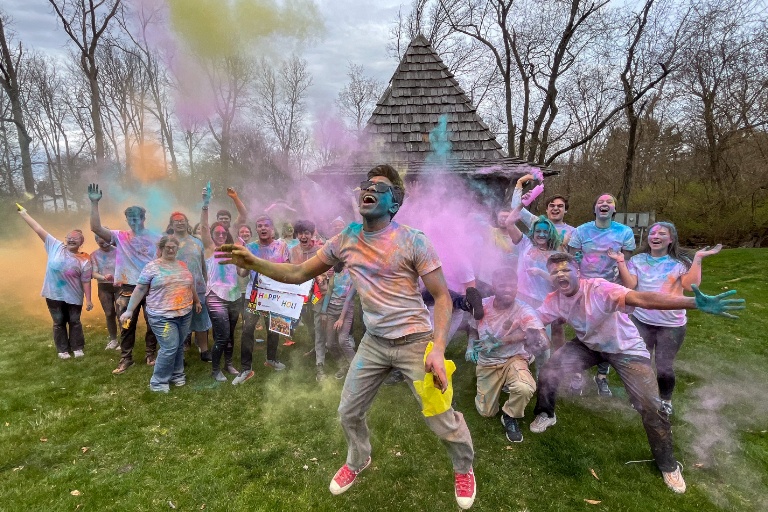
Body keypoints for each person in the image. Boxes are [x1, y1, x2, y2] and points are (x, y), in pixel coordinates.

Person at [216, 164, 477, 509]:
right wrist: (253, 262)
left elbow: (442, 297)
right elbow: (298, 272)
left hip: (415, 342)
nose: (368, 188)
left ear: (394, 202)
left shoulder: (414, 240)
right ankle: (358, 459)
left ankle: (464, 467)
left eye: (379, 187)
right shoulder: (346, 239)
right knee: (348, 412)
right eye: (366, 184)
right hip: (374, 343)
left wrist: (439, 348)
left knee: (441, 416)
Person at [528, 252, 744, 494]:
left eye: (565, 269)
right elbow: (533, 320)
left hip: (625, 349)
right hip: (589, 345)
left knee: (651, 406)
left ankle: (668, 465)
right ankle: (546, 413)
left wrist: (692, 302)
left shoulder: (599, 288)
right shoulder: (554, 299)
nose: (560, 274)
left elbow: (642, 298)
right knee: (550, 370)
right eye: (555, 271)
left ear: (577, 271)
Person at [609, 222, 723, 415]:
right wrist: (621, 262)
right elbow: (630, 285)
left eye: (662, 234)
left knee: (664, 366)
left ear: (671, 239)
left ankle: (665, 400)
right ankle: (641, 396)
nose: (655, 236)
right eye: (652, 233)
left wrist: (697, 259)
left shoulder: (679, 263)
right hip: (641, 321)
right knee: (640, 363)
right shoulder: (638, 260)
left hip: (671, 325)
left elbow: (690, 286)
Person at [465, 268, 547, 443]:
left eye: (512, 286)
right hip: (488, 361)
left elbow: (538, 335)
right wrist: (470, 346)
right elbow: (472, 328)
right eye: (503, 285)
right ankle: (500, 383)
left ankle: (510, 415)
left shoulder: (524, 309)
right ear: (494, 287)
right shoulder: (482, 305)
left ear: (517, 287)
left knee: (524, 388)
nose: (508, 289)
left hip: (514, 358)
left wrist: (502, 341)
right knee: (486, 412)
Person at [567, 193, 636, 396]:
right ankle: (577, 373)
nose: (604, 204)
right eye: (600, 202)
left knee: (608, 333)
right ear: (594, 208)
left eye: (609, 202)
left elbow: (626, 261)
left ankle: (602, 376)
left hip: (611, 290)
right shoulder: (581, 231)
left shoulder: (624, 232)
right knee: (583, 330)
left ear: (614, 209)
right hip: (585, 289)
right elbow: (572, 259)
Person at [88, 183, 160, 374]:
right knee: (126, 324)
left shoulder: (156, 237)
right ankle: (126, 358)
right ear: (126, 219)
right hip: (128, 286)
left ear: (143, 218)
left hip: (152, 286)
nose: (134, 221)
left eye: (137, 217)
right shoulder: (119, 236)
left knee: (153, 322)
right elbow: (95, 227)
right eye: (130, 218)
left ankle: (151, 354)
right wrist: (94, 203)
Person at [119, 235, 202, 392]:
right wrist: (129, 310)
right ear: (161, 248)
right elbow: (140, 289)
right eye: (167, 247)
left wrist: (197, 301)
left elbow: (190, 285)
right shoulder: (152, 267)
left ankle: (177, 375)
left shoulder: (182, 265)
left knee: (178, 346)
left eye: (173, 247)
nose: (171, 250)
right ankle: (158, 382)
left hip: (184, 313)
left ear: (177, 249)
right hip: (162, 316)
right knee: (169, 347)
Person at [18, 206, 93, 359]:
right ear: (65, 239)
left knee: (74, 321)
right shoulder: (55, 246)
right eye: (69, 237)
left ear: (81, 242)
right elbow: (38, 229)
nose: (71, 239)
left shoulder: (85, 258)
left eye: (76, 238)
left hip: (74, 296)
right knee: (58, 322)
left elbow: (86, 280)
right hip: (53, 294)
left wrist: (89, 300)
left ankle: (77, 347)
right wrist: (24, 214)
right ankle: (62, 350)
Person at [233, 214, 290, 384]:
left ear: (272, 228)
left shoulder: (281, 246)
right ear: (256, 229)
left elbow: (289, 269)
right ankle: (246, 368)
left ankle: (271, 359)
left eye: (266, 225)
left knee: (274, 329)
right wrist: (240, 263)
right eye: (259, 226)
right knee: (247, 330)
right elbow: (242, 273)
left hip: (275, 296)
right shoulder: (249, 248)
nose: (263, 228)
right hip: (254, 295)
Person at [504, 204, 559, 373]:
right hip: (521, 298)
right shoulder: (525, 244)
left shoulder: (555, 255)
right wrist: (521, 205)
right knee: (517, 337)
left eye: (545, 231)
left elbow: (558, 282)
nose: (541, 234)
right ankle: (516, 374)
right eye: (538, 231)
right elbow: (509, 223)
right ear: (533, 233)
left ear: (550, 233)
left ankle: (543, 378)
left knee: (542, 343)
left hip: (543, 303)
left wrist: (541, 273)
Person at [200, 188, 243, 381]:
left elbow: (241, 273)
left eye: (223, 233)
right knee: (222, 334)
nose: (221, 235)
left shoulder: (232, 251)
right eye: (216, 232)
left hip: (234, 296)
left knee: (231, 334)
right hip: (215, 297)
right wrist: (205, 204)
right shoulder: (210, 249)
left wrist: (250, 268)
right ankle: (216, 369)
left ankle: (229, 364)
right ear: (211, 235)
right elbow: (203, 227)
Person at [168, 211, 212, 361]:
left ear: (187, 223)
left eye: (182, 220)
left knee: (201, 319)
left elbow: (203, 266)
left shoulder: (197, 242)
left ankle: (204, 351)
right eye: (176, 221)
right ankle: (179, 353)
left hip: (198, 287)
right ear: (171, 225)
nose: (180, 223)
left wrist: (206, 283)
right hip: (175, 290)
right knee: (178, 322)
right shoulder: (167, 242)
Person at [289, 219, 319, 353]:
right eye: (300, 233)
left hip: (317, 293)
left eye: (306, 233)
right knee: (308, 321)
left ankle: (322, 347)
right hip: (300, 295)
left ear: (312, 234)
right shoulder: (293, 251)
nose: (303, 236)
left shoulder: (319, 251)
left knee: (318, 320)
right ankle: (316, 345)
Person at [90, 232, 120, 350]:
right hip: (104, 286)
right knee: (109, 313)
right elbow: (93, 273)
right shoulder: (94, 255)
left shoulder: (119, 252)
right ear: (97, 241)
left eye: (106, 242)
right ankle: (113, 340)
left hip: (120, 285)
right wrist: (103, 277)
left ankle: (125, 340)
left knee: (121, 313)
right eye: (101, 243)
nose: (104, 245)